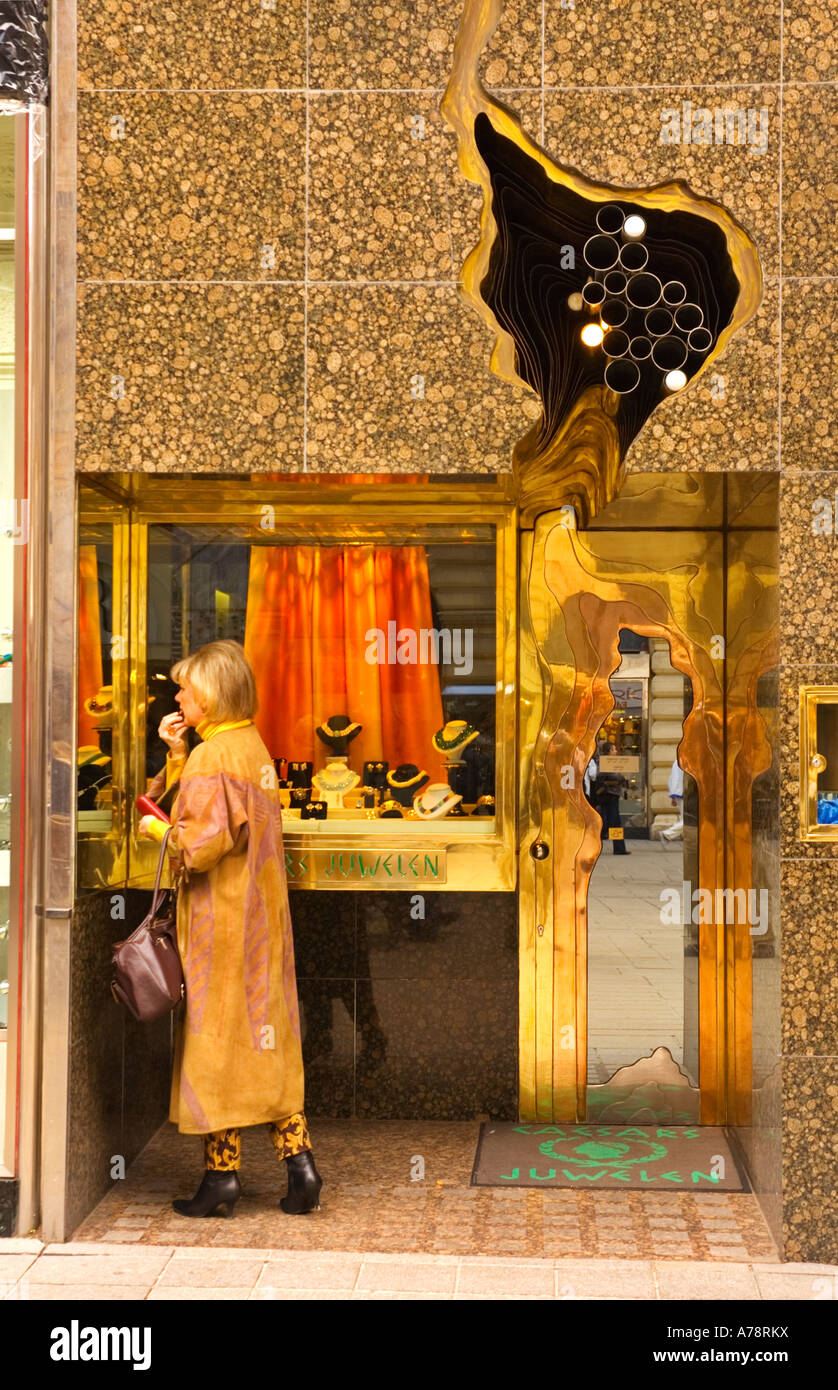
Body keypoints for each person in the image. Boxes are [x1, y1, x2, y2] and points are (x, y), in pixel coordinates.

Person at [138, 639, 322, 1219]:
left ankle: (221, 1180)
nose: (178, 695)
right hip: (261, 919)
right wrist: (177, 752)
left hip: (220, 922)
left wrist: (154, 833)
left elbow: (199, 845)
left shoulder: (212, 757)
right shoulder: (251, 747)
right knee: (263, 1041)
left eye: (186, 688)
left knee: (215, 1043)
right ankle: (301, 1168)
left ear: (211, 695)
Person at [593, 739, 630, 855]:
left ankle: (619, 848)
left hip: (613, 795)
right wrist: (620, 778)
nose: (616, 751)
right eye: (614, 749)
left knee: (614, 822)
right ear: (609, 751)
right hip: (607, 795)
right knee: (610, 822)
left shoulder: (613, 762)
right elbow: (601, 775)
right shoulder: (604, 763)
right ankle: (594, 842)